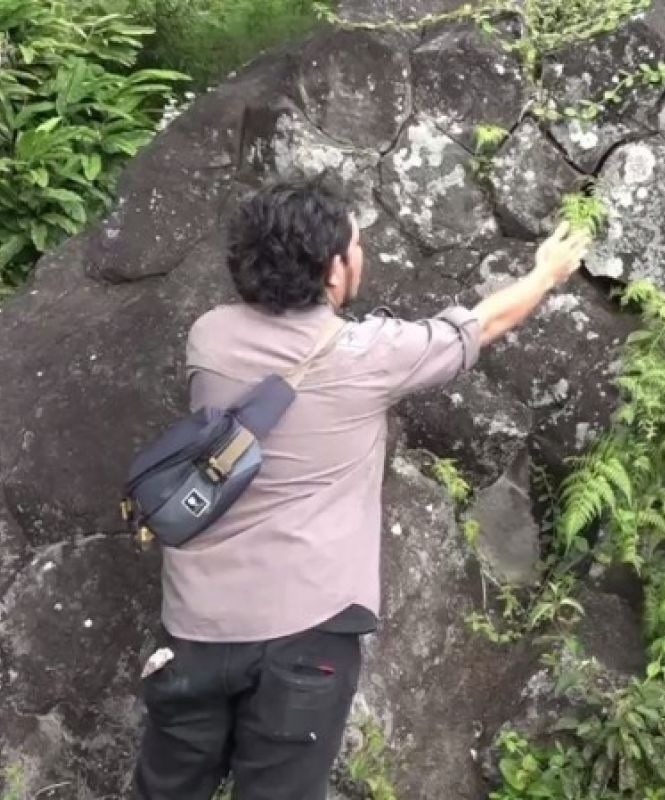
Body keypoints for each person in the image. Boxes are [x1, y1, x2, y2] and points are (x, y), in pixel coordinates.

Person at [134, 179, 591, 799]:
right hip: (307, 634)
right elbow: (479, 326)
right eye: (356, 246)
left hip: (196, 629)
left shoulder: (208, 339)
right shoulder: (369, 355)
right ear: (331, 272)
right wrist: (545, 273)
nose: (362, 256)